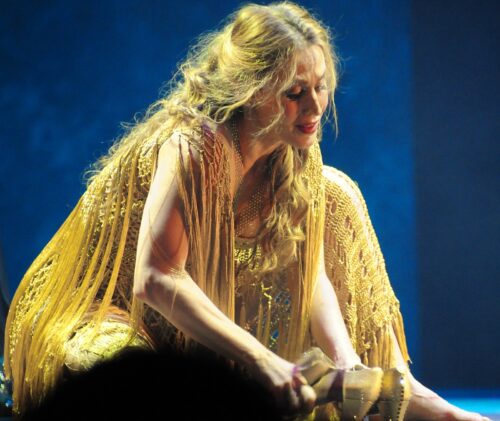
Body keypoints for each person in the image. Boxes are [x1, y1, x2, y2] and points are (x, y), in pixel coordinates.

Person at [4, 3, 490, 420]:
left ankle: (426, 404)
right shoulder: (196, 145)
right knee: (135, 380)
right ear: (250, 89)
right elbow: (154, 279)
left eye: (320, 87)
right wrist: (262, 360)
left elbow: (309, 269)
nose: (314, 106)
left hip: (171, 323)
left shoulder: (296, 151)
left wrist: (345, 361)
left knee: (338, 192)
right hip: (103, 313)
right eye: (294, 92)